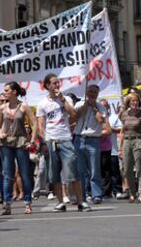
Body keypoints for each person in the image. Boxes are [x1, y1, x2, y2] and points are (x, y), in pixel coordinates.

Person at [36, 73, 89, 212]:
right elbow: (41, 126)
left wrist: (62, 100)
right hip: (51, 140)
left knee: (73, 170)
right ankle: (60, 202)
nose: (57, 85)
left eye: (58, 82)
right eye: (54, 83)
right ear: (47, 86)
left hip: (65, 139)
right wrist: (43, 142)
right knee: (54, 173)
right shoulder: (42, 104)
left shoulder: (66, 99)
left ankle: (80, 201)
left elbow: (73, 115)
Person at [0, 82, 36, 215]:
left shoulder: (23, 106)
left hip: (21, 141)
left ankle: (28, 202)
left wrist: (31, 140)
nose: (5, 92)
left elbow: (34, 123)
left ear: (14, 92)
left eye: (7, 90)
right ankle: (7, 204)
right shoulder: (2, 108)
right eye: (4, 90)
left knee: (24, 174)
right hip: (6, 142)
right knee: (8, 174)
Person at [74, 85, 110, 204]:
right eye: (90, 91)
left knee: (95, 170)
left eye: (95, 92)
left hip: (93, 140)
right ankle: (82, 195)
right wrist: (83, 109)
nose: (92, 94)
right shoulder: (79, 104)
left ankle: (96, 195)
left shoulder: (101, 107)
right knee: (80, 170)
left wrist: (94, 108)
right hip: (79, 138)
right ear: (86, 92)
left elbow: (101, 121)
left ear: (98, 94)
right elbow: (72, 119)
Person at [118, 93, 141, 203]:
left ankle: (140, 193)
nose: (135, 103)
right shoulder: (124, 114)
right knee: (126, 169)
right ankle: (132, 193)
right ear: (129, 103)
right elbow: (122, 131)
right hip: (127, 141)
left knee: (139, 168)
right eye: (132, 101)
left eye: (136, 101)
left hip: (138, 140)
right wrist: (120, 148)